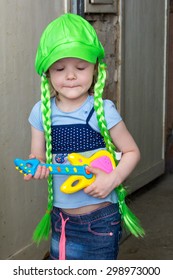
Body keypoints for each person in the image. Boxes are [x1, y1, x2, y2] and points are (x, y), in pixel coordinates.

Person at [24, 13, 143, 260]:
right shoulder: (40, 112)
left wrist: (113, 179)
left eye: (80, 67)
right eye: (59, 68)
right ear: (47, 73)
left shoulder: (103, 110)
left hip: (100, 222)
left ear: (95, 69)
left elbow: (132, 152)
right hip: (61, 220)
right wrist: (35, 166)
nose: (70, 76)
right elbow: (37, 155)